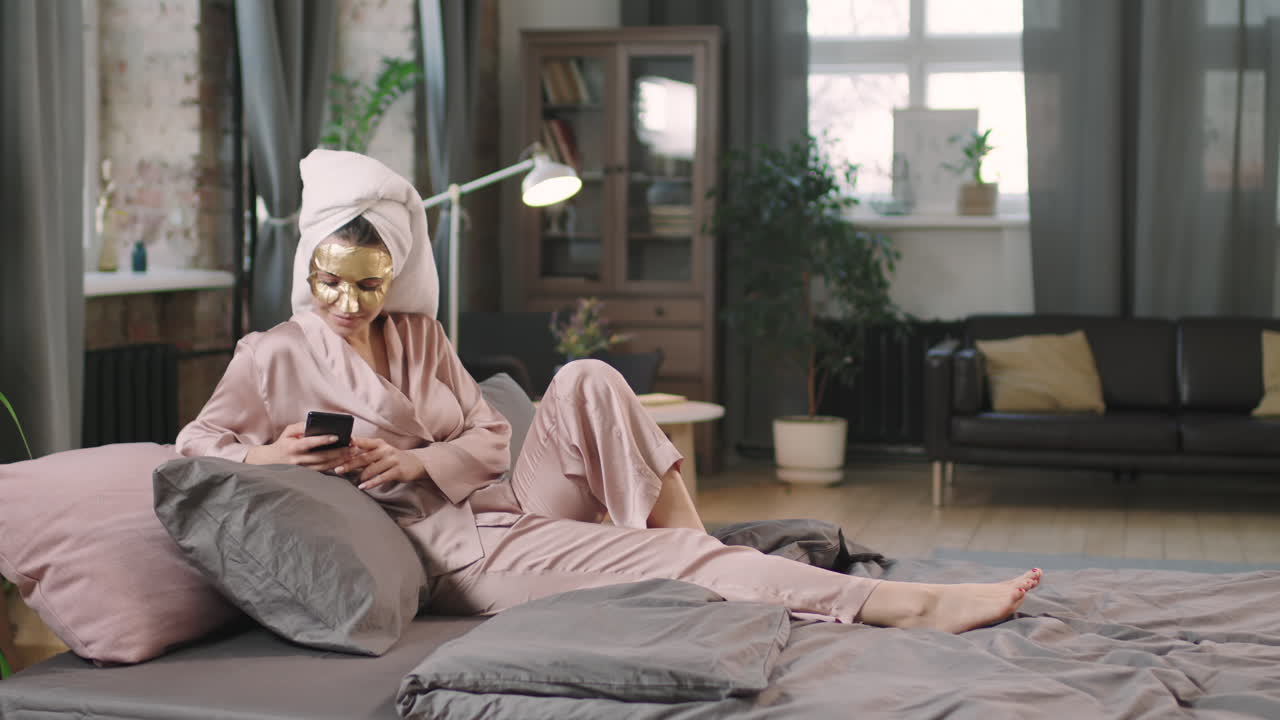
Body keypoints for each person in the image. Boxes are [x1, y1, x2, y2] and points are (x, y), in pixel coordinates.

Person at [177, 149, 1041, 634]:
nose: (346, 304)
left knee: (588, 375)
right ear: (308, 266)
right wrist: (269, 451)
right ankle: (907, 606)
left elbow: (491, 442)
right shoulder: (271, 357)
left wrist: (410, 454)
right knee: (664, 553)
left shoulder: (421, 335)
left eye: (368, 285)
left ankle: (706, 565)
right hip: (462, 553)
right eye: (330, 281)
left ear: (393, 277)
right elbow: (194, 447)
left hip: (507, 498)